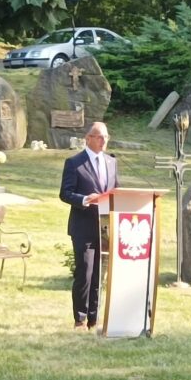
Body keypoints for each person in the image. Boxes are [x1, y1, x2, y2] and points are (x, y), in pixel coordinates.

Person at [60, 121, 118, 330]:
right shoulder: (74, 163)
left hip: (105, 227)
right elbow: (64, 194)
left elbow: (115, 190)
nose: (104, 141)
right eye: (99, 137)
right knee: (84, 273)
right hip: (83, 226)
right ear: (88, 138)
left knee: (98, 276)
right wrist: (86, 199)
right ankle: (80, 319)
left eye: (106, 137)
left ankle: (94, 318)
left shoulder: (111, 162)